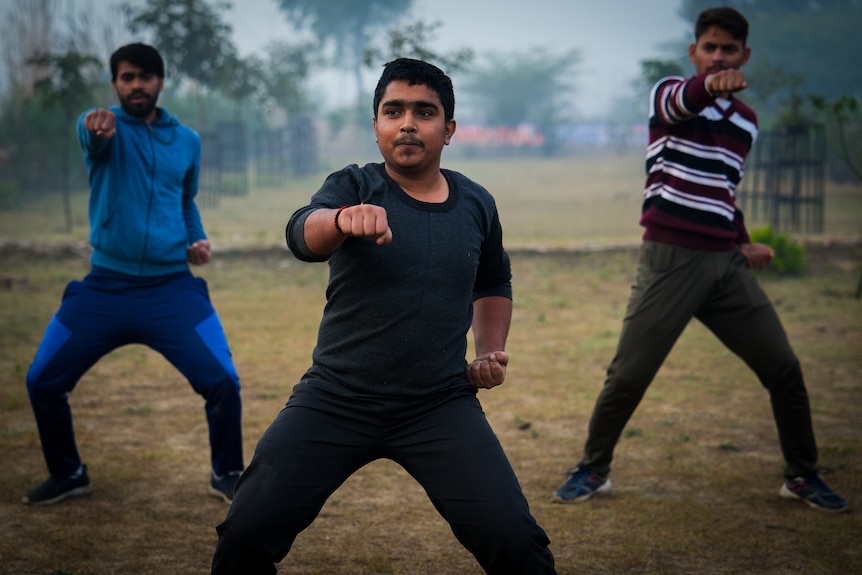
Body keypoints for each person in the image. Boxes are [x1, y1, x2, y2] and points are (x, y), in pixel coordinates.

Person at [211, 58, 556, 574]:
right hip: (335, 398)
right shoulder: (355, 186)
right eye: (393, 111)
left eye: (425, 112)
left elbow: (492, 280)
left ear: (450, 129)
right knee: (246, 532)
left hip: (438, 405)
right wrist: (341, 220)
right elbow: (301, 233)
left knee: (516, 541)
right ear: (376, 128)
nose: (409, 123)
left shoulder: (476, 204)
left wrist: (488, 351)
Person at [552, 6, 849, 512]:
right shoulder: (671, 95)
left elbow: (721, 190)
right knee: (628, 375)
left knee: (784, 368)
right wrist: (708, 87)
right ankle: (592, 469)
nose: (717, 57)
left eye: (728, 49)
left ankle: (802, 475)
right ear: (694, 52)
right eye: (709, 47)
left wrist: (743, 240)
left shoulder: (748, 124)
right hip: (670, 261)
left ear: (744, 55)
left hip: (725, 267)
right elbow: (683, 100)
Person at [22, 43, 244, 506]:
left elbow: (185, 201)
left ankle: (227, 471)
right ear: (115, 84)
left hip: (172, 289)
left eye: (145, 77)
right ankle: (69, 473)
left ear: (160, 82)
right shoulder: (103, 127)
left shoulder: (187, 140)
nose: (136, 85)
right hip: (104, 287)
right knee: (42, 380)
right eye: (126, 78)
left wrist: (195, 239)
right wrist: (95, 125)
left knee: (223, 381)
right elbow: (91, 135)